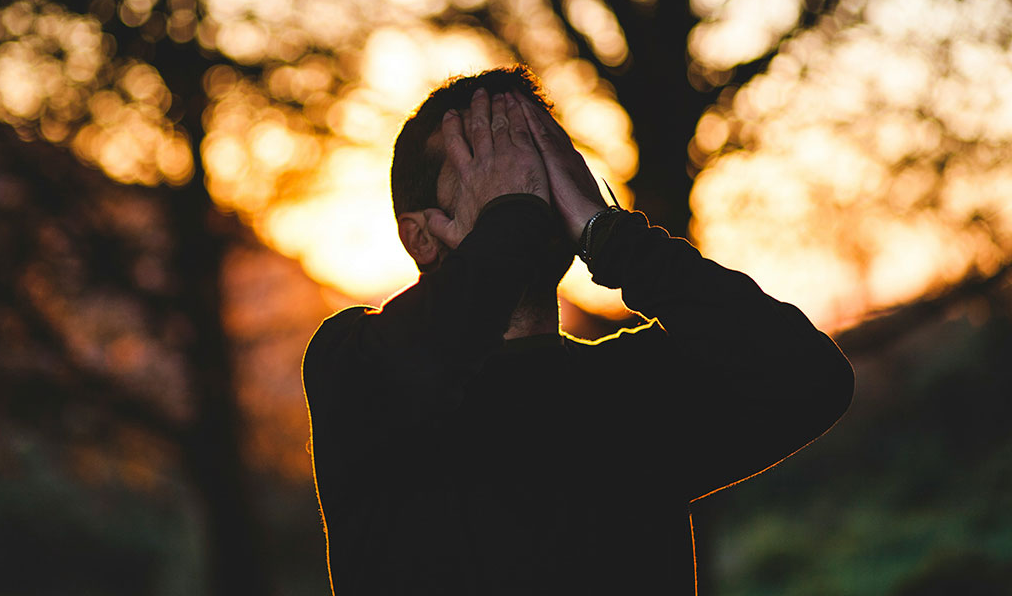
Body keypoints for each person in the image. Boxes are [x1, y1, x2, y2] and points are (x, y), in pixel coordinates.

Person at [302, 65, 854, 595]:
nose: (527, 185)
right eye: (490, 166)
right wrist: (512, 217)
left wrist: (608, 233)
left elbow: (811, 377)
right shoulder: (352, 365)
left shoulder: (636, 386)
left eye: (539, 161)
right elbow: (429, 359)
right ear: (420, 237)